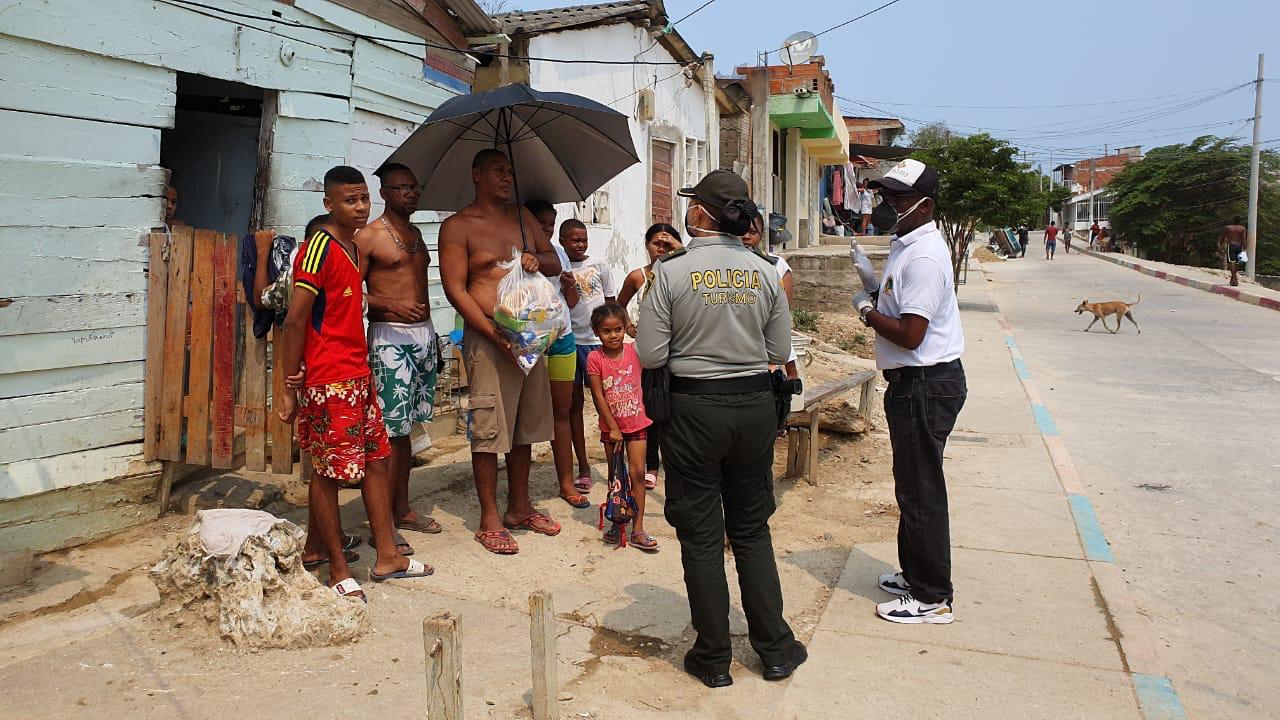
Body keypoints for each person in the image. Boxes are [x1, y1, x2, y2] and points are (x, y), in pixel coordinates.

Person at [638, 169, 806, 687]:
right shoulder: (763, 271)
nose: (687, 211)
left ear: (700, 215)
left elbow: (650, 353)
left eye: (692, 205)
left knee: (702, 536)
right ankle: (775, 650)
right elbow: (780, 352)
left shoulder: (670, 272)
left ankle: (712, 658)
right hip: (755, 408)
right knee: (752, 530)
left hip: (692, 411)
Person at [277, 166, 431, 602]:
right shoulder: (317, 249)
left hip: (359, 372)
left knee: (377, 460)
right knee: (328, 473)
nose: (360, 207)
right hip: (329, 379)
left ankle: (387, 554)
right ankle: (338, 569)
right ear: (329, 204)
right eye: (350, 200)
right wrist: (289, 385)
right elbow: (295, 318)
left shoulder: (353, 248)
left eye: (363, 198)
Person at [851, 159, 965, 624]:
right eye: (887, 196)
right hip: (913, 384)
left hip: (924, 383)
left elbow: (911, 333)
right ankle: (914, 573)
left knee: (921, 492)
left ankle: (932, 596)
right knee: (910, 487)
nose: (889, 205)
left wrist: (864, 311)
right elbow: (901, 306)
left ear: (925, 206)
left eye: (899, 198)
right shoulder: (906, 245)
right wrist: (874, 285)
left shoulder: (922, 256)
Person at [438, 149, 563, 555]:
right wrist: (494, 334)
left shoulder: (524, 218)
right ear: (477, 175)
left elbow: (554, 262)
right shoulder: (458, 226)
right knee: (490, 427)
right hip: (489, 339)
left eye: (510, 170)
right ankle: (489, 516)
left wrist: (536, 259)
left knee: (526, 425)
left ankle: (520, 506)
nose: (507, 178)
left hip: (531, 337)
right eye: (498, 171)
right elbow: (455, 289)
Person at [356, 162, 443, 556]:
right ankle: (383, 524)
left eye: (415, 186)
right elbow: (348, 291)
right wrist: (389, 303)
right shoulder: (369, 236)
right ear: (386, 192)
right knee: (389, 432)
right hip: (389, 341)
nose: (413, 193)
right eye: (404, 188)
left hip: (424, 337)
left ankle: (402, 508)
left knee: (407, 429)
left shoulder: (416, 234)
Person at [525, 199, 588, 509]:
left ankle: (566, 482)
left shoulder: (559, 253)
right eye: (540, 221)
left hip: (562, 338)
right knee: (525, 416)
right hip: (530, 343)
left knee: (561, 413)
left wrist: (569, 284)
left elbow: (572, 301)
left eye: (550, 222)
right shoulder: (516, 253)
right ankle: (520, 493)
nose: (546, 228)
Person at [585, 303, 657, 550]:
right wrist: (613, 427)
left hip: (637, 423)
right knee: (616, 478)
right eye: (607, 331)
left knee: (638, 473)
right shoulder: (595, 359)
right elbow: (598, 395)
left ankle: (638, 528)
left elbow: (654, 340)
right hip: (611, 429)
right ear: (596, 332)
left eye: (618, 329)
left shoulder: (635, 352)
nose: (613, 335)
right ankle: (618, 523)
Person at [560, 219, 619, 496]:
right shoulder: (559, 267)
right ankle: (583, 466)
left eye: (583, 239)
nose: (580, 244)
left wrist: (611, 337)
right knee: (573, 405)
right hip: (572, 341)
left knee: (605, 403)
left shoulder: (599, 264)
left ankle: (614, 467)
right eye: (574, 240)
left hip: (596, 344)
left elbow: (610, 301)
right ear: (562, 242)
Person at [742, 211, 798, 381]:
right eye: (741, 231)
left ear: (761, 234)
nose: (745, 237)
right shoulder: (719, 266)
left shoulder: (777, 266)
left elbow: (780, 320)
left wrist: (791, 368)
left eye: (752, 232)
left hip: (766, 356)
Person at [1221, 218, 1246, 286]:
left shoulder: (1228, 227)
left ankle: (1235, 279)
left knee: (1232, 262)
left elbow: (1223, 236)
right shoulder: (1242, 228)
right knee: (1237, 263)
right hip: (1239, 246)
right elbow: (1243, 238)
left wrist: (1221, 244)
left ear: (1233, 221)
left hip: (1231, 245)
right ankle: (1232, 279)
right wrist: (1245, 248)